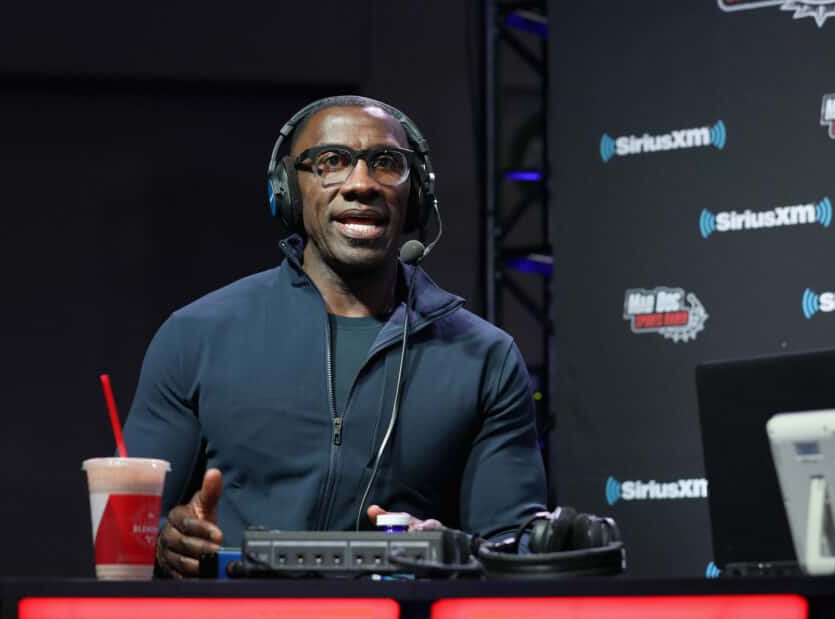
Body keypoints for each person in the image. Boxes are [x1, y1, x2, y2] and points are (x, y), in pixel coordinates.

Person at [123, 95, 547, 578]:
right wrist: (164, 544)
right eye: (331, 162)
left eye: (387, 164)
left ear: (417, 194)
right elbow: (127, 535)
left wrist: (449, 550)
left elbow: (513, 555)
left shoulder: (484, 358)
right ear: (288, 190)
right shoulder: (195, 336)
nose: (361, 184)